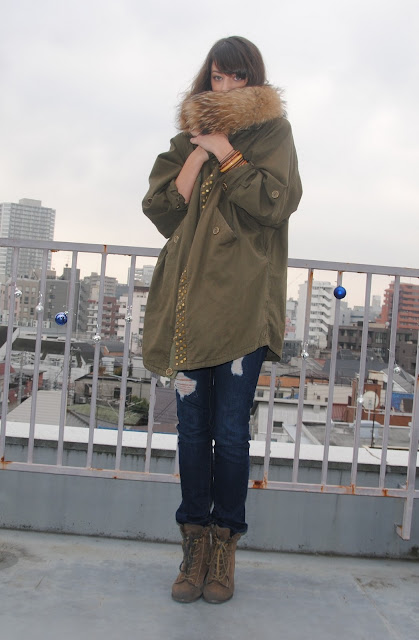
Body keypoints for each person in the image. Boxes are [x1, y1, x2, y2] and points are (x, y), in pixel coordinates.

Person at [142, 36, 302, 604]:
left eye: (237, 77)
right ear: (206, 78)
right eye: (217, 77)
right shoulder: (186, 138)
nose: (226, 86)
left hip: (242, 308)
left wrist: (228, 152)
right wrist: (198, 150)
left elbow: (275, 203)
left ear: (254, 79)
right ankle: (193, 546)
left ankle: (223, 547)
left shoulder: (272, 133)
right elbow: (162, 210)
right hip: (189, 307)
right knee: (191, 432)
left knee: (231, 435)